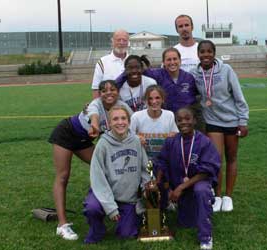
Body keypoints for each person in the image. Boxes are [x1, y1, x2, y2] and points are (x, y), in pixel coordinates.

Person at [49, 80, 132, 240]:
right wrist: (95, 125)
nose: (108, 93)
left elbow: (133, 121)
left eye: (112, 89)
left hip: (83, 141)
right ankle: (62, 225)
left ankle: (108, 205)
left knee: (107, 168)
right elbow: (94, 117)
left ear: (118, 92)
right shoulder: (95, 104)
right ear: (99, 94)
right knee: (63, 176)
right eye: (104, 90)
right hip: (66, 133)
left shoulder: (122, 105)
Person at [190, 40, 249, 213]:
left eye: (209, 51)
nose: (206, 55)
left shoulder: (226, 70)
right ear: (198, 54)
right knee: (216, 160)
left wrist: (243, 121)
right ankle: (216, 196)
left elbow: (239, 96)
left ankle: (228, 197)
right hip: (212, 122)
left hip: (231, 120)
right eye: (202, 52)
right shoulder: (195, 73)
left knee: (231, 158)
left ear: (214, 53)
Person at [83, 105, 151, 243]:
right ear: (109, 123)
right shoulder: (103, 144)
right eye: (115, 119)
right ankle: (97, 229)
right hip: (105, 194)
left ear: (129, 122)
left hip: (127, 198)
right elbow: (97, 178)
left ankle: (128, 217)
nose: (120, 122)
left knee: (126, 235)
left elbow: (145, 168)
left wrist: (148, 188)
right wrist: (110, 207)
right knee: (92, 208)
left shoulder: (136, 141)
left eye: (123, 118)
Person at [156, 107, 220, 250]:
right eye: (179, 120)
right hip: (181, 189)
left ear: (194, 120)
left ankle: (206, 237)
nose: (183, 122)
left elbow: (207, 171)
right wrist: (159, 183)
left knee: (202, 190)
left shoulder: (204, 142)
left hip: (197, 184)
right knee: (186, 223)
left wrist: (180, 188)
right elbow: (161, 162)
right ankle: (159, 222)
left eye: (187, 119)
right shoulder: (171, 142)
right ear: (176, 122)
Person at [91, 29, 130, 99]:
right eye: (118, 40)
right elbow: (96, 89)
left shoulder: (134, 62)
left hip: (131, 107)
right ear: (112, 41)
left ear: (128, 42)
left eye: (124, 40)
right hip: (109, 108)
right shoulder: (102, 62)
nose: (121, 42)